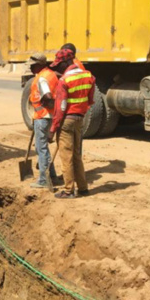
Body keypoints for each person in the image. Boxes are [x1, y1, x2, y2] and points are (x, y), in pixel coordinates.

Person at [50, 48, 95, 199]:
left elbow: (60, 107)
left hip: (66, 121)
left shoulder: (64, 81)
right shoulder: (89, 76)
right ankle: (83, 188)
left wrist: (53, 128)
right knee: (76, 155)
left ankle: (69, 190)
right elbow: (90, 101)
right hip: (80, 119)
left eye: (60, 64)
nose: (59, 67)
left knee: (66, 156)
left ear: (68, 62)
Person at [27, 53, 60, 189]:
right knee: (43, 147)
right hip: (48, 116)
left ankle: (43, 180)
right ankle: (51, 175)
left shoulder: (42, 78)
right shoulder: (51, 74)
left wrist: (45, 104)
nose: (30, 68)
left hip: (43, 116)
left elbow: (47, 95)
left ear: (40, 64)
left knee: (41, 149)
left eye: (33, 65)